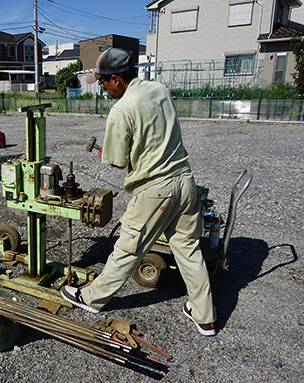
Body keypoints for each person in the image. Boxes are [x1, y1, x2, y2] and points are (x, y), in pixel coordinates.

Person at [60, 48, 216, 336]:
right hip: (185, 181)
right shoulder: (159, 89)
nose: (103, 88)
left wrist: (108, 153)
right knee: (188, 249)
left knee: (128, 248)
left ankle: (91, 299)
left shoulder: (121, 110)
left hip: (155, 191)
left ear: (117, 79)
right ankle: (204, 314)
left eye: (104, 82)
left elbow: (118, 162)